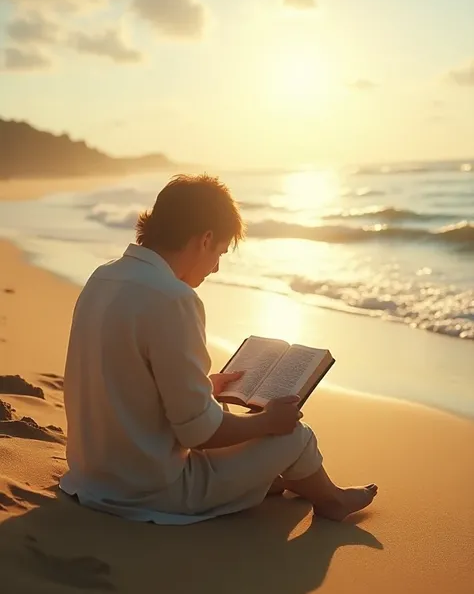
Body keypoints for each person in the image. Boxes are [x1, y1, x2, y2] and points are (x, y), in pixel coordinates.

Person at [60, 174, 377, 524]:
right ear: (206, 239)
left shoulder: (103, 277)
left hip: (91, 475)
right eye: (220, 252)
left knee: (248, 429)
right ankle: (330, 499)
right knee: (295, 436)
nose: (216, 267)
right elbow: (198, 433)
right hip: (150, 489)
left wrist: (205, 386)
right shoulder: (173, 298)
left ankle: (276, 481)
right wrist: (267, 422)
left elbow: (123, 381)